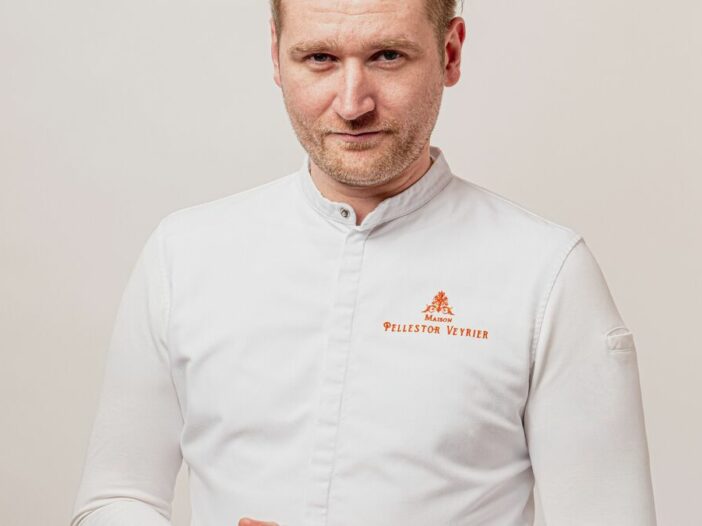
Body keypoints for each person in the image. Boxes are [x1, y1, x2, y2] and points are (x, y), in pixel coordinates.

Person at [70, 0, 657, 525]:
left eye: (387, 56)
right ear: (276, 55)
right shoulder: (184, 254)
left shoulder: (547, 274)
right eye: (320, 58)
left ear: (450, 53)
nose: (353, 104)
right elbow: (115, 498)